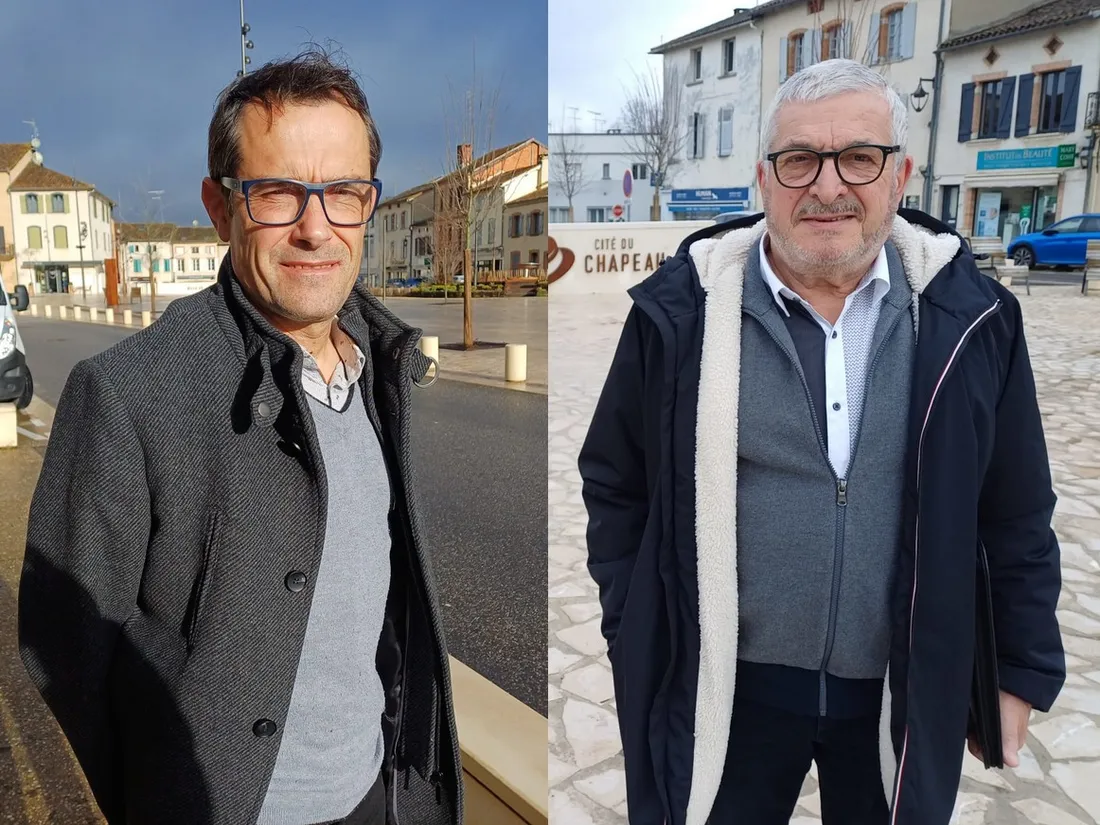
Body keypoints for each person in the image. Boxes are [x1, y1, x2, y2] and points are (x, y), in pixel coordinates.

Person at [578, 58, 1064, 825]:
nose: (828, 186)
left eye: (858, 158)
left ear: (899, 175)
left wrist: (1020, 670)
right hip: (727, 690)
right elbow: (616, 482)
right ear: (765, 179)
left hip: (899, 688)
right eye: (799, 158)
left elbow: (1016, 509)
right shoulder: (681, 316)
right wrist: (637, 628)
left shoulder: (974, 321)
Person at [19, 50, 461, 825]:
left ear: (369, 202)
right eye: (278, 194)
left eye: (344, 194)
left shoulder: (381, 365)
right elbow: (68, 650)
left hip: (379, 795)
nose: (316, 229)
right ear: (220, 208)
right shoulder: (125, 393)